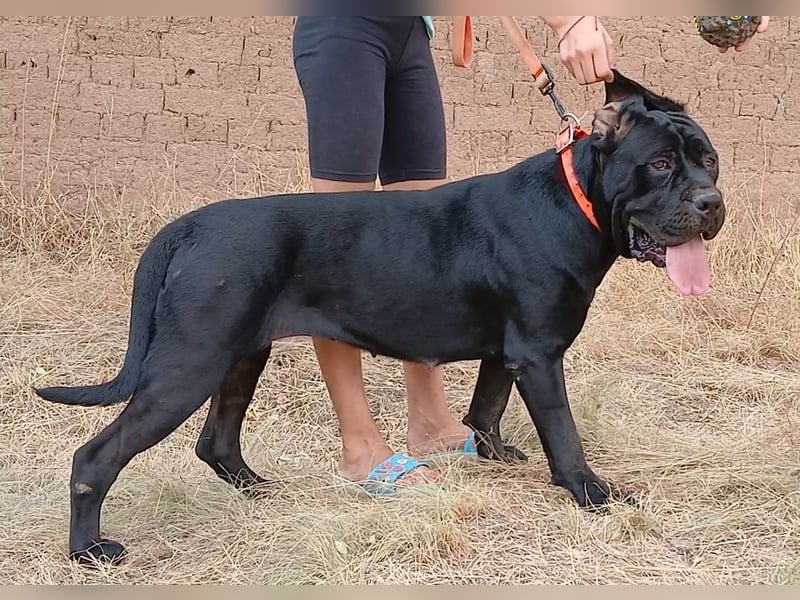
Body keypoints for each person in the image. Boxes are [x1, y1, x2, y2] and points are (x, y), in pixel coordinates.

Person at [291, 15, 769, 496]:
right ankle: (360, 447)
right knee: (333, 244)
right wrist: (569, 19)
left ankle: (431, 422)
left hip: (412, 32)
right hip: (345, 21)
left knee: (427, 237)